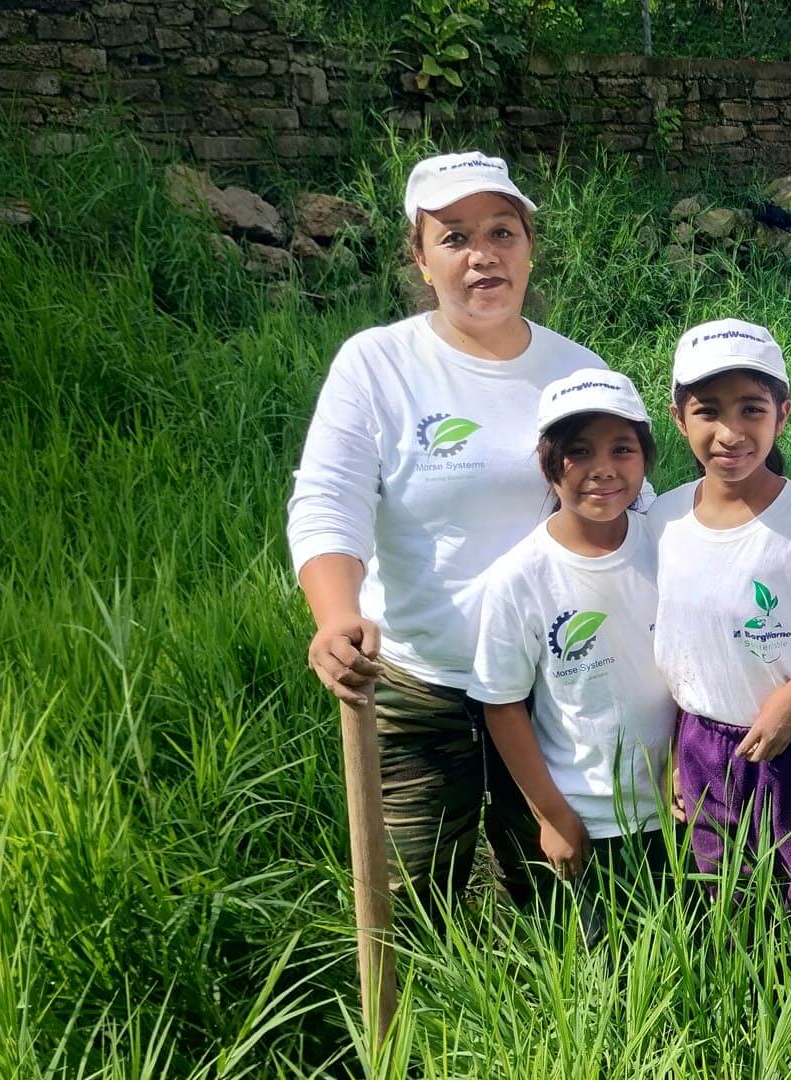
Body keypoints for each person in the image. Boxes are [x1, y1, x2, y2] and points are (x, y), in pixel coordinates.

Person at [287, 150, 645, 907]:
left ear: (529, 247)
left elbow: (625, 506)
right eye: (453, 238)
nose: (483, 255)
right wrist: (336, 616)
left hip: (553, 679)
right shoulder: (378, 364)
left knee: (559, 884)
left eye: (502, 232)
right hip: (422, 678)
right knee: (414, 891)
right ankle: (423, 1020)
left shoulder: (575, 370)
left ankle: (555, 1015)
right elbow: (328, 499)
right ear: (420, 259)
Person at [650, 320, 791, 932]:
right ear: (678, 417)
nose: (731, 433)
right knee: (718, 902)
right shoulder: (662, 524)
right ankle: (736, 1016)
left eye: (752, 409)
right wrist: (674, 755)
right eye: (708, 411)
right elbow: (668, 648)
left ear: (783, 414)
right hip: (699, 744)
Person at [468, 369, 674, 933]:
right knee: (615, 969)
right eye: (578, 452)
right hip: (593, 817)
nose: (602, 468)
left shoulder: (667, 544)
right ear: (548, 465)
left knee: (701, 948)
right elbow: (502, 705)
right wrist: (552, 815)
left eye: (622, 449)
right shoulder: (520, 579)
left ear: (646, 458)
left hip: (687, 805)